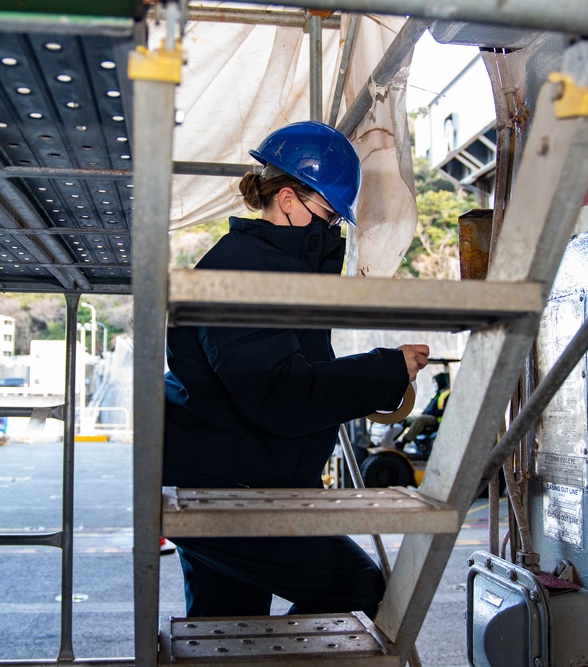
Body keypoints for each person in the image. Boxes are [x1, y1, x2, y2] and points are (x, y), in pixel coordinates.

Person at [162, 121, 430, 619]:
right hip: (229, 491)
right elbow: (281, 394)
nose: (330, 229)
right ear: (288, 199)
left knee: (228, 628)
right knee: (357, 587)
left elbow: (287, 370)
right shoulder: (244, 271)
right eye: (327, 215)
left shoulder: (268, 266)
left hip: (224, 476)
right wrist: (385, 371)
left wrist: (377, 376)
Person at [397, 371, 451, 449]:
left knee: (420, 420)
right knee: (406, 420)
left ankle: (404, 442)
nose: (435, 385)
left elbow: (444, 411)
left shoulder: (447, 394)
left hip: (436, 419)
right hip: (428, 416)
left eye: (436, 382)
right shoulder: (439, 394)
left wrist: (433, 412)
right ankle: (392, 441)